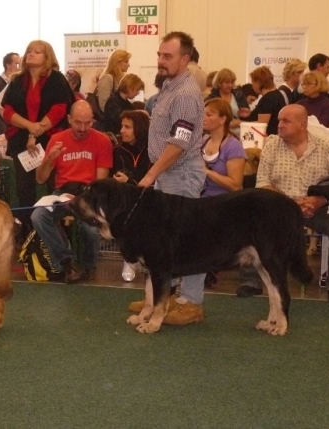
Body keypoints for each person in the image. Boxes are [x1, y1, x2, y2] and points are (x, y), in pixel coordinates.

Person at [236, 104, 329, 304]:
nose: (279, 125)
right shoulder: (272, 144)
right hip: (278, 207)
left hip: (315, 208)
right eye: (279, 120)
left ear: (302, 124)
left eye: (285, 121)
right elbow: (263, 183)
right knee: (250, 219)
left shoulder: (325, 148)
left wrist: (320, 200)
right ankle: (250, 281)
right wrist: (288, 204)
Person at [134, 31, 207, 325]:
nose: (161, 61)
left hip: (181, 172)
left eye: (168, 56)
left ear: (185, 59)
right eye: (159, 55)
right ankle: (159, 295)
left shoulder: (186, 94)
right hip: (169, 172)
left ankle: (191, 302)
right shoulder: (169, 87)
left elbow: (179, 142)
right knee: (163, 240)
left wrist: (151, 174)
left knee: (189, 240)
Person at [30, 100, 112, 283]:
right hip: (62, 194)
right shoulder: (56, 140)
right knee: (38, 216)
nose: (83, 128)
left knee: (90, 228)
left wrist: (82, 199)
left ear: (93, 121)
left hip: (89, 194)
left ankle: (89, 266)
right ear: (69, 119)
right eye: (78, 122)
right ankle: (67, 262)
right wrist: (49, 160)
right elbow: (40, 179)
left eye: (88, 123)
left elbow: (101, 182)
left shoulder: (102, 141)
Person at [2, 39, 74, 236]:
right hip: (21, 141)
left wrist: (36, 132)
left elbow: (60, 109)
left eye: (38, 52)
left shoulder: (57, 79)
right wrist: (30, 127)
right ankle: (28, 230)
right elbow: (7, 111)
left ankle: (52, 229)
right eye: (29, 51)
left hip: (49, 141)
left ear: (47, 57)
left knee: (52, 185)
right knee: (24, 188)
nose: (31, 54)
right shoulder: (17, 80)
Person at [111, 110, 152, 282]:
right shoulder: (118, 151)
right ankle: (130, 259)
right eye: (122, 126)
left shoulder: (152, 150)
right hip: (124, 200)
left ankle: (146, 259)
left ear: (140, 129)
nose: (122, 130)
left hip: (149, 197)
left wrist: (130, 181)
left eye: (127, 127)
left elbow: (151, 179)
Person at [201, 98, 246, 197]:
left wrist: (207, 172)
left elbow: (235, 186)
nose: (203, 118)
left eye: (209, 115)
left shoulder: (234, 146)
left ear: (222, 119)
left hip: (224, 202)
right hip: (200, 199)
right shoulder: (203, 141)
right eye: (202, 114)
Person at [205, 68, 251, 134]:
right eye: (227, 82)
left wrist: (247, 114)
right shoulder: (211, 99)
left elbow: (248, 118)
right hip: (219, 134)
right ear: (219, 83)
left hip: (241, 133)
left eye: (232, 82)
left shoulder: (239, 95)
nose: (230, 85)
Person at [244, 66, 286, 136]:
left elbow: (262, 124)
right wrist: (250, 113)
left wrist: (240, 123)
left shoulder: (268, 99)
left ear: (258, 82)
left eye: (253, 82)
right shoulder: (277, 95)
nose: (252, 86)